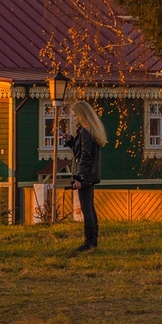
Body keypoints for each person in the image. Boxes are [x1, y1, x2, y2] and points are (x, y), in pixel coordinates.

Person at [63, 100, 105, 252]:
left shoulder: (86, 131)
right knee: (89, 207)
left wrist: (79, 177)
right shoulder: (87, 131)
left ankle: (90, 242)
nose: (74, 118)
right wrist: (71, 142)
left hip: (85, 175)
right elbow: (81, 152)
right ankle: (92, 241)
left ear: (81, 115)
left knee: (86, 208)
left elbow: (85, 156)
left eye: (75, 115)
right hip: (88, 174)